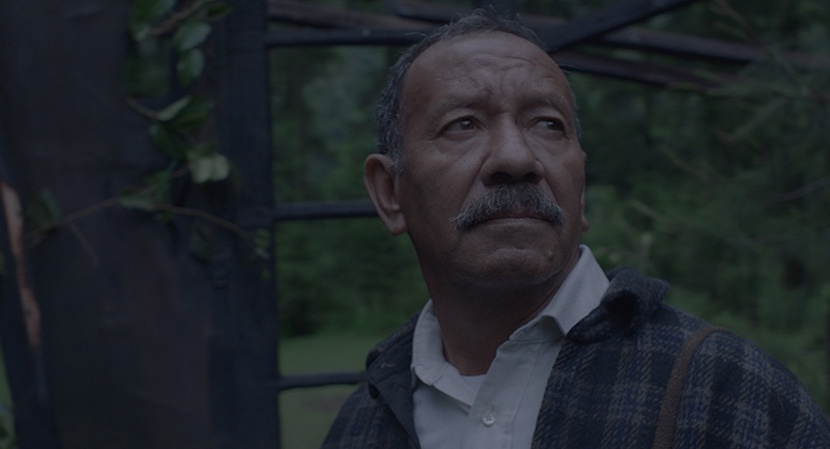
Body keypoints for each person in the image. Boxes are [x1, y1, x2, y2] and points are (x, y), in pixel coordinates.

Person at [322, 9, 830, 449]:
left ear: (580, 190)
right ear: (390, 193)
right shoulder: (361, 427)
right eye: (464, 124)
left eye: (547, 124)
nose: (517, 157)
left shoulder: (726, 392)